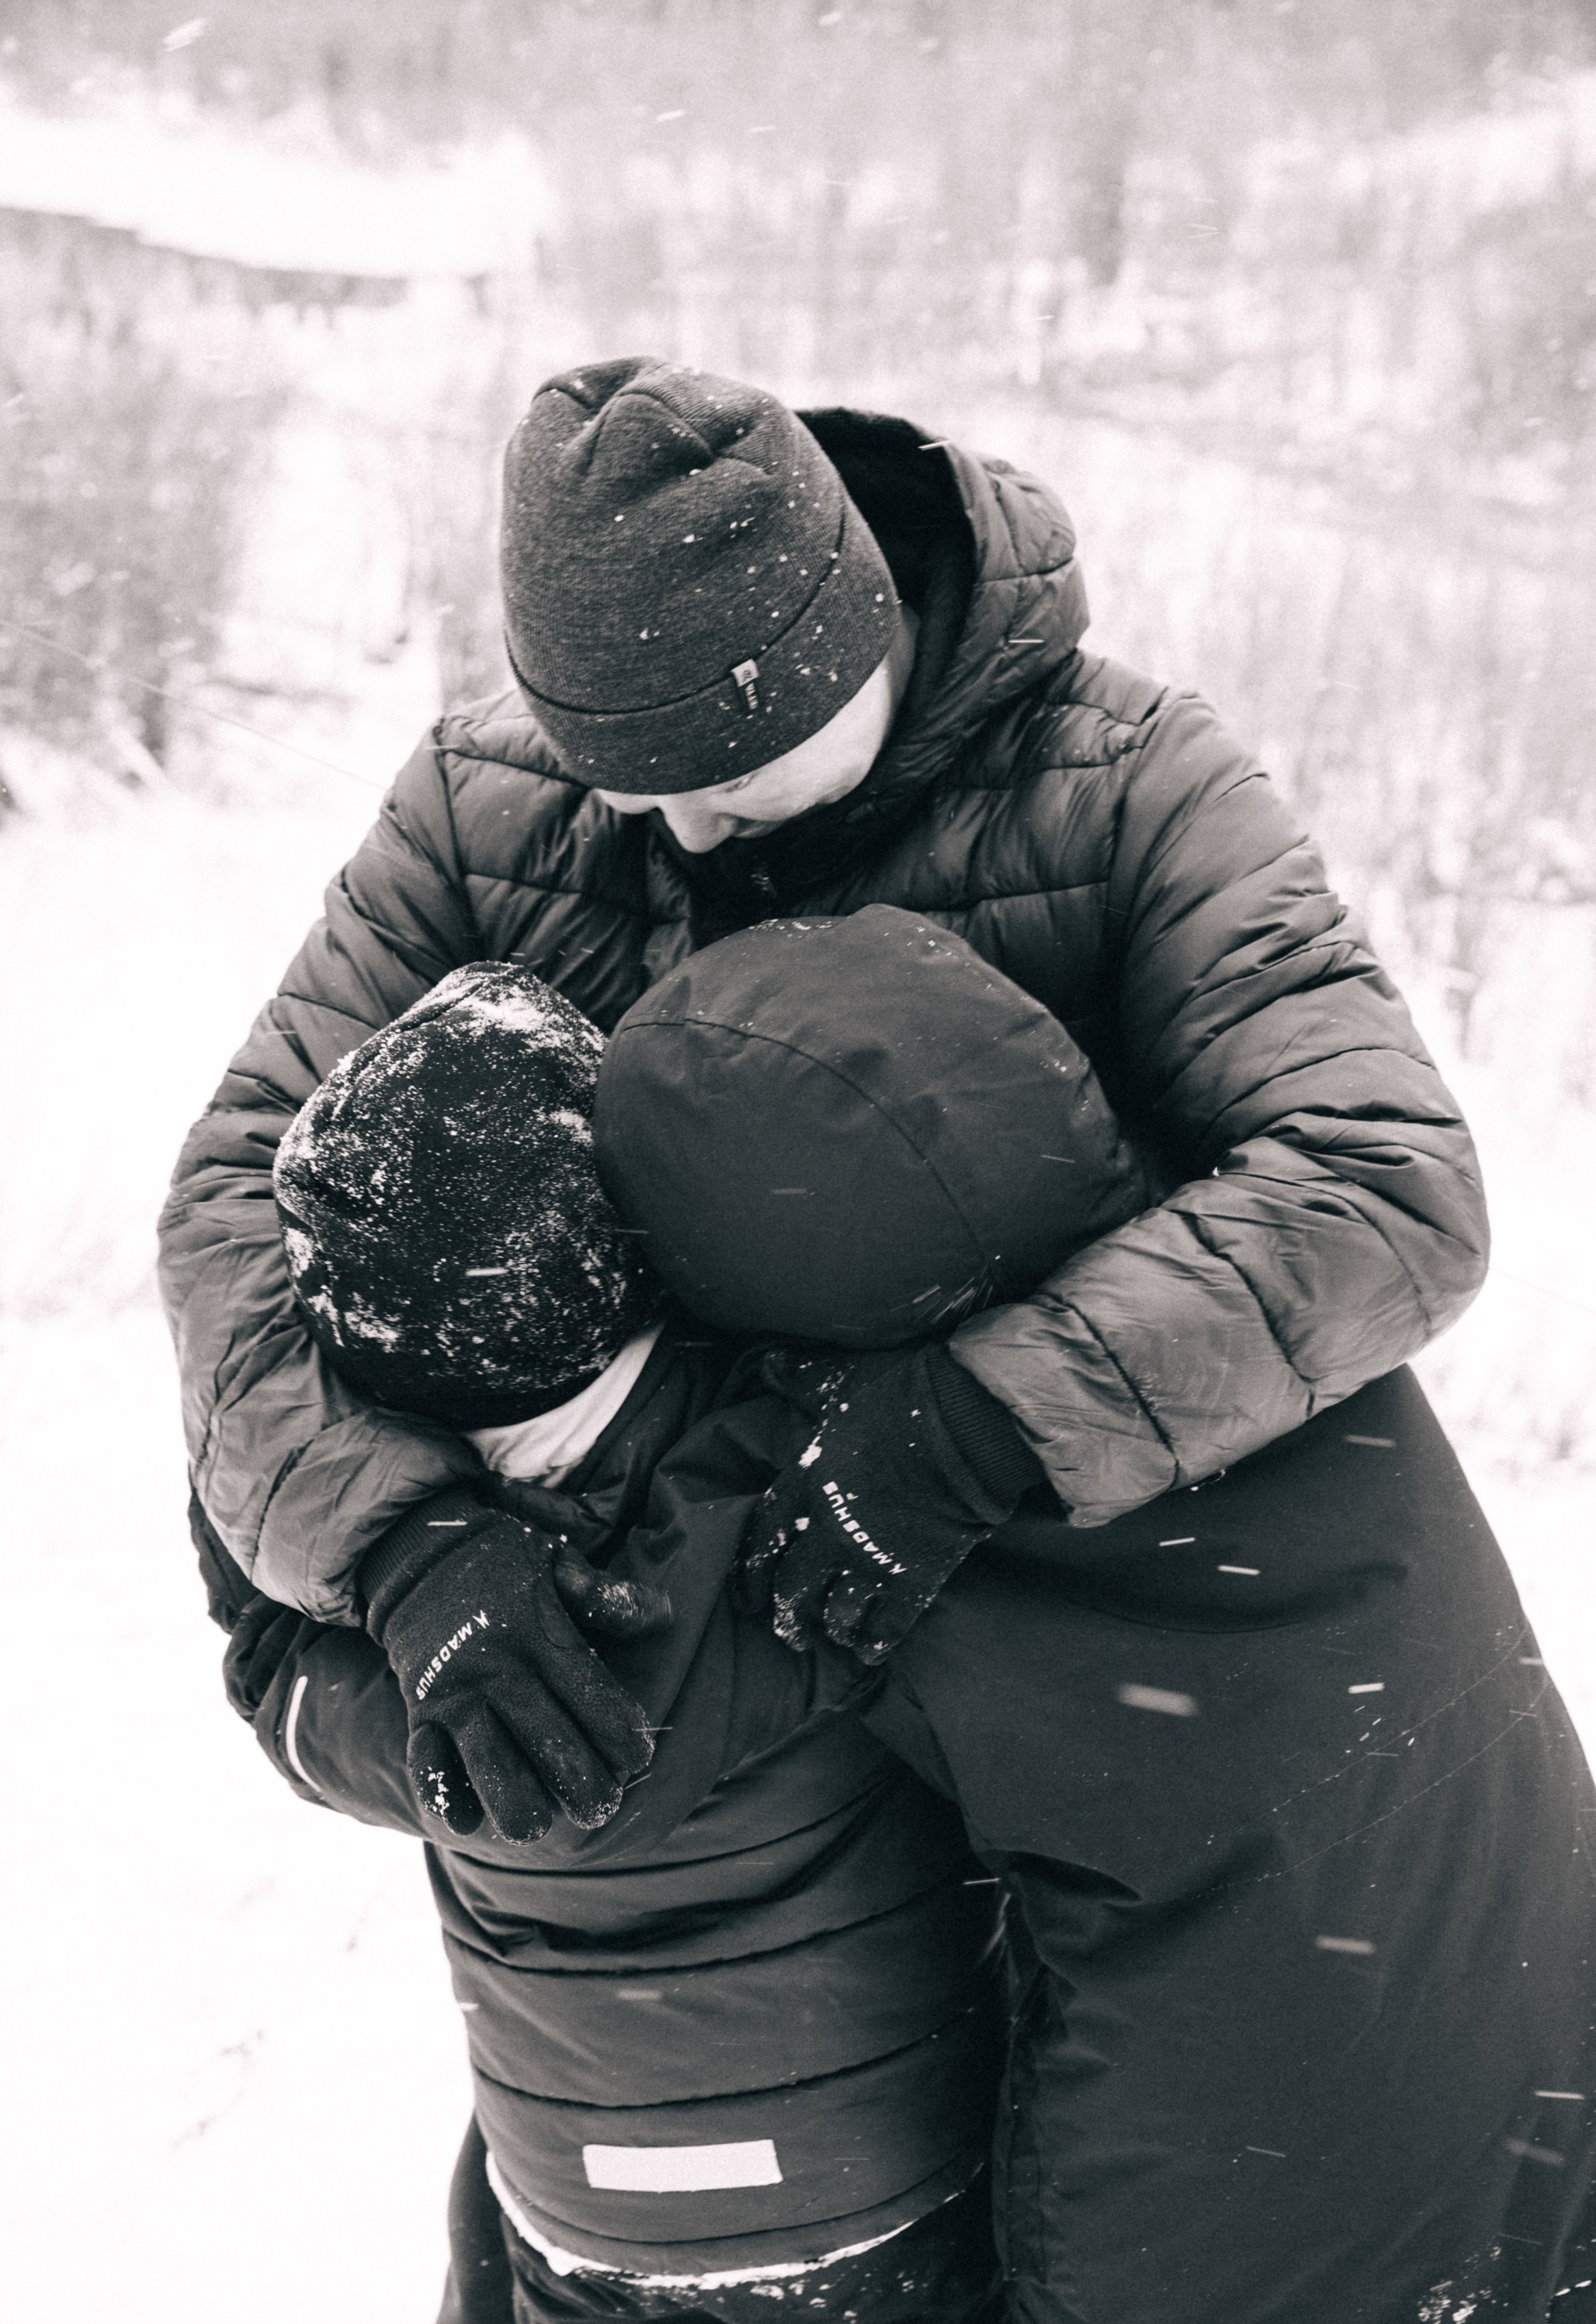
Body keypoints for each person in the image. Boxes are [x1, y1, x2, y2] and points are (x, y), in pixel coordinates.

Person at [214, 912, 1594, 2324]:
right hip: (920, 2175)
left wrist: (299, 1658)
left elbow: (489, 1724)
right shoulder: (816, 1449)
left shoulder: (497, 1581)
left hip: (614, 2199)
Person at [159, 354, 1490, 1850]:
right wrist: (393, 1536)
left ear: (854, 641)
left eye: (725, 769)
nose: (678, 825)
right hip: (691, 1701)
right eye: (624, 777)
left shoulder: (1130, 788)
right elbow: (245, 1185)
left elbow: (1382, 1187)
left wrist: (993, 1411)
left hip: (1053, 1650)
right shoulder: (487, 802)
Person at [209, 928, 1147, 2324]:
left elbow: (268, 1655)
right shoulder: (783, 1468)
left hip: (582, 2197)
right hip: (880, 2174)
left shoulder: (395, 1644)